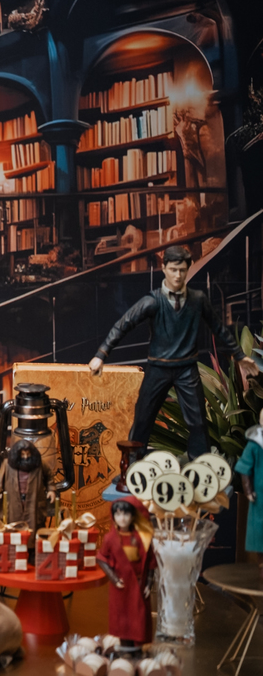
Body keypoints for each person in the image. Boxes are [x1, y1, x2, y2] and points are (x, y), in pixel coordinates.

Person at [89, 245, 259, 459]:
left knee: (197, 422)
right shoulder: (152, 301)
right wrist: (101, 354)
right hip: (158, 368)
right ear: (164, 268)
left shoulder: (197, 300)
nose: (177, 275)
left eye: (182, 270)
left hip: (187, 369)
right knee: (143, 418)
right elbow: (123, 324)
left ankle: (201, 467)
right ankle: (132, 466)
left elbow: (219, 329)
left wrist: (240, 356)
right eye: (173, 269)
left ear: (187, 269)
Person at [95, 496, 155, 649]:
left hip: (139, 582)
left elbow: (150, 562)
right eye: (118, 514)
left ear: (133, 516)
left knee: (138, 616)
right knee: (122, 617)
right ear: (113, 517)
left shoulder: (142, 538)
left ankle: (138, 647)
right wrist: (114, 578)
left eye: (126, 514)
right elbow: (101, 558)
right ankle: (125, 646)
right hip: (121, 585)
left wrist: (149, 583)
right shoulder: (110, 539)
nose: (122, 518)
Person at [0, 439, 56, 530]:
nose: (25, 457)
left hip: (34, 500)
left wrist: (51, 490)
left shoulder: (40, 464)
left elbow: (49, 477)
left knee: (34, 524)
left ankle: (32, 543)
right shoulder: (7, 465)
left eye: (28, 454)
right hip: (13, 500)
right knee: (13, 524)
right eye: (23, 454)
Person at [234, 409, 263, 579]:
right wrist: (248, 490)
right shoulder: (255, 444)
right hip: (259, 497)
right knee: (260, 535)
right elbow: (245, 468)